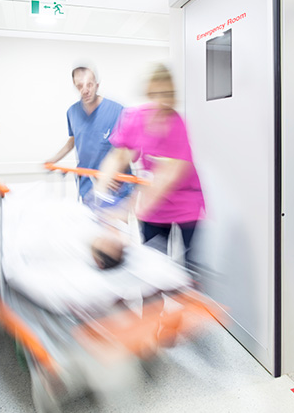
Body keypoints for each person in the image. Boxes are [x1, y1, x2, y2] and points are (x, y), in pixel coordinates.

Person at [96, 64, 205, 273]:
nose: (161, 100)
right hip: (154, 211)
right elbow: (119, 154)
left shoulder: (178, 124)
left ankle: (192, 295)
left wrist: (125, 209)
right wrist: (102, 186)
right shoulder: (135, 117)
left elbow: (167, 177)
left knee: (189, 269)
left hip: (185, 203)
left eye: (167, 94)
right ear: (148, 93)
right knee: (152, 268)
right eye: (156, 93)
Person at [46, 65, 130, 201]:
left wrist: (112, 172)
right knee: (88, 221)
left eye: (89, 85)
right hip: (87, 184)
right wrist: (54, 159)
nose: (85, 90)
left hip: (115, 183)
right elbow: (74, 140)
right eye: (80, 86)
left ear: (97, 84)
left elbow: (129, 148)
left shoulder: (118, 110)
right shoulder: (72, 112)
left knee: (115, 222)